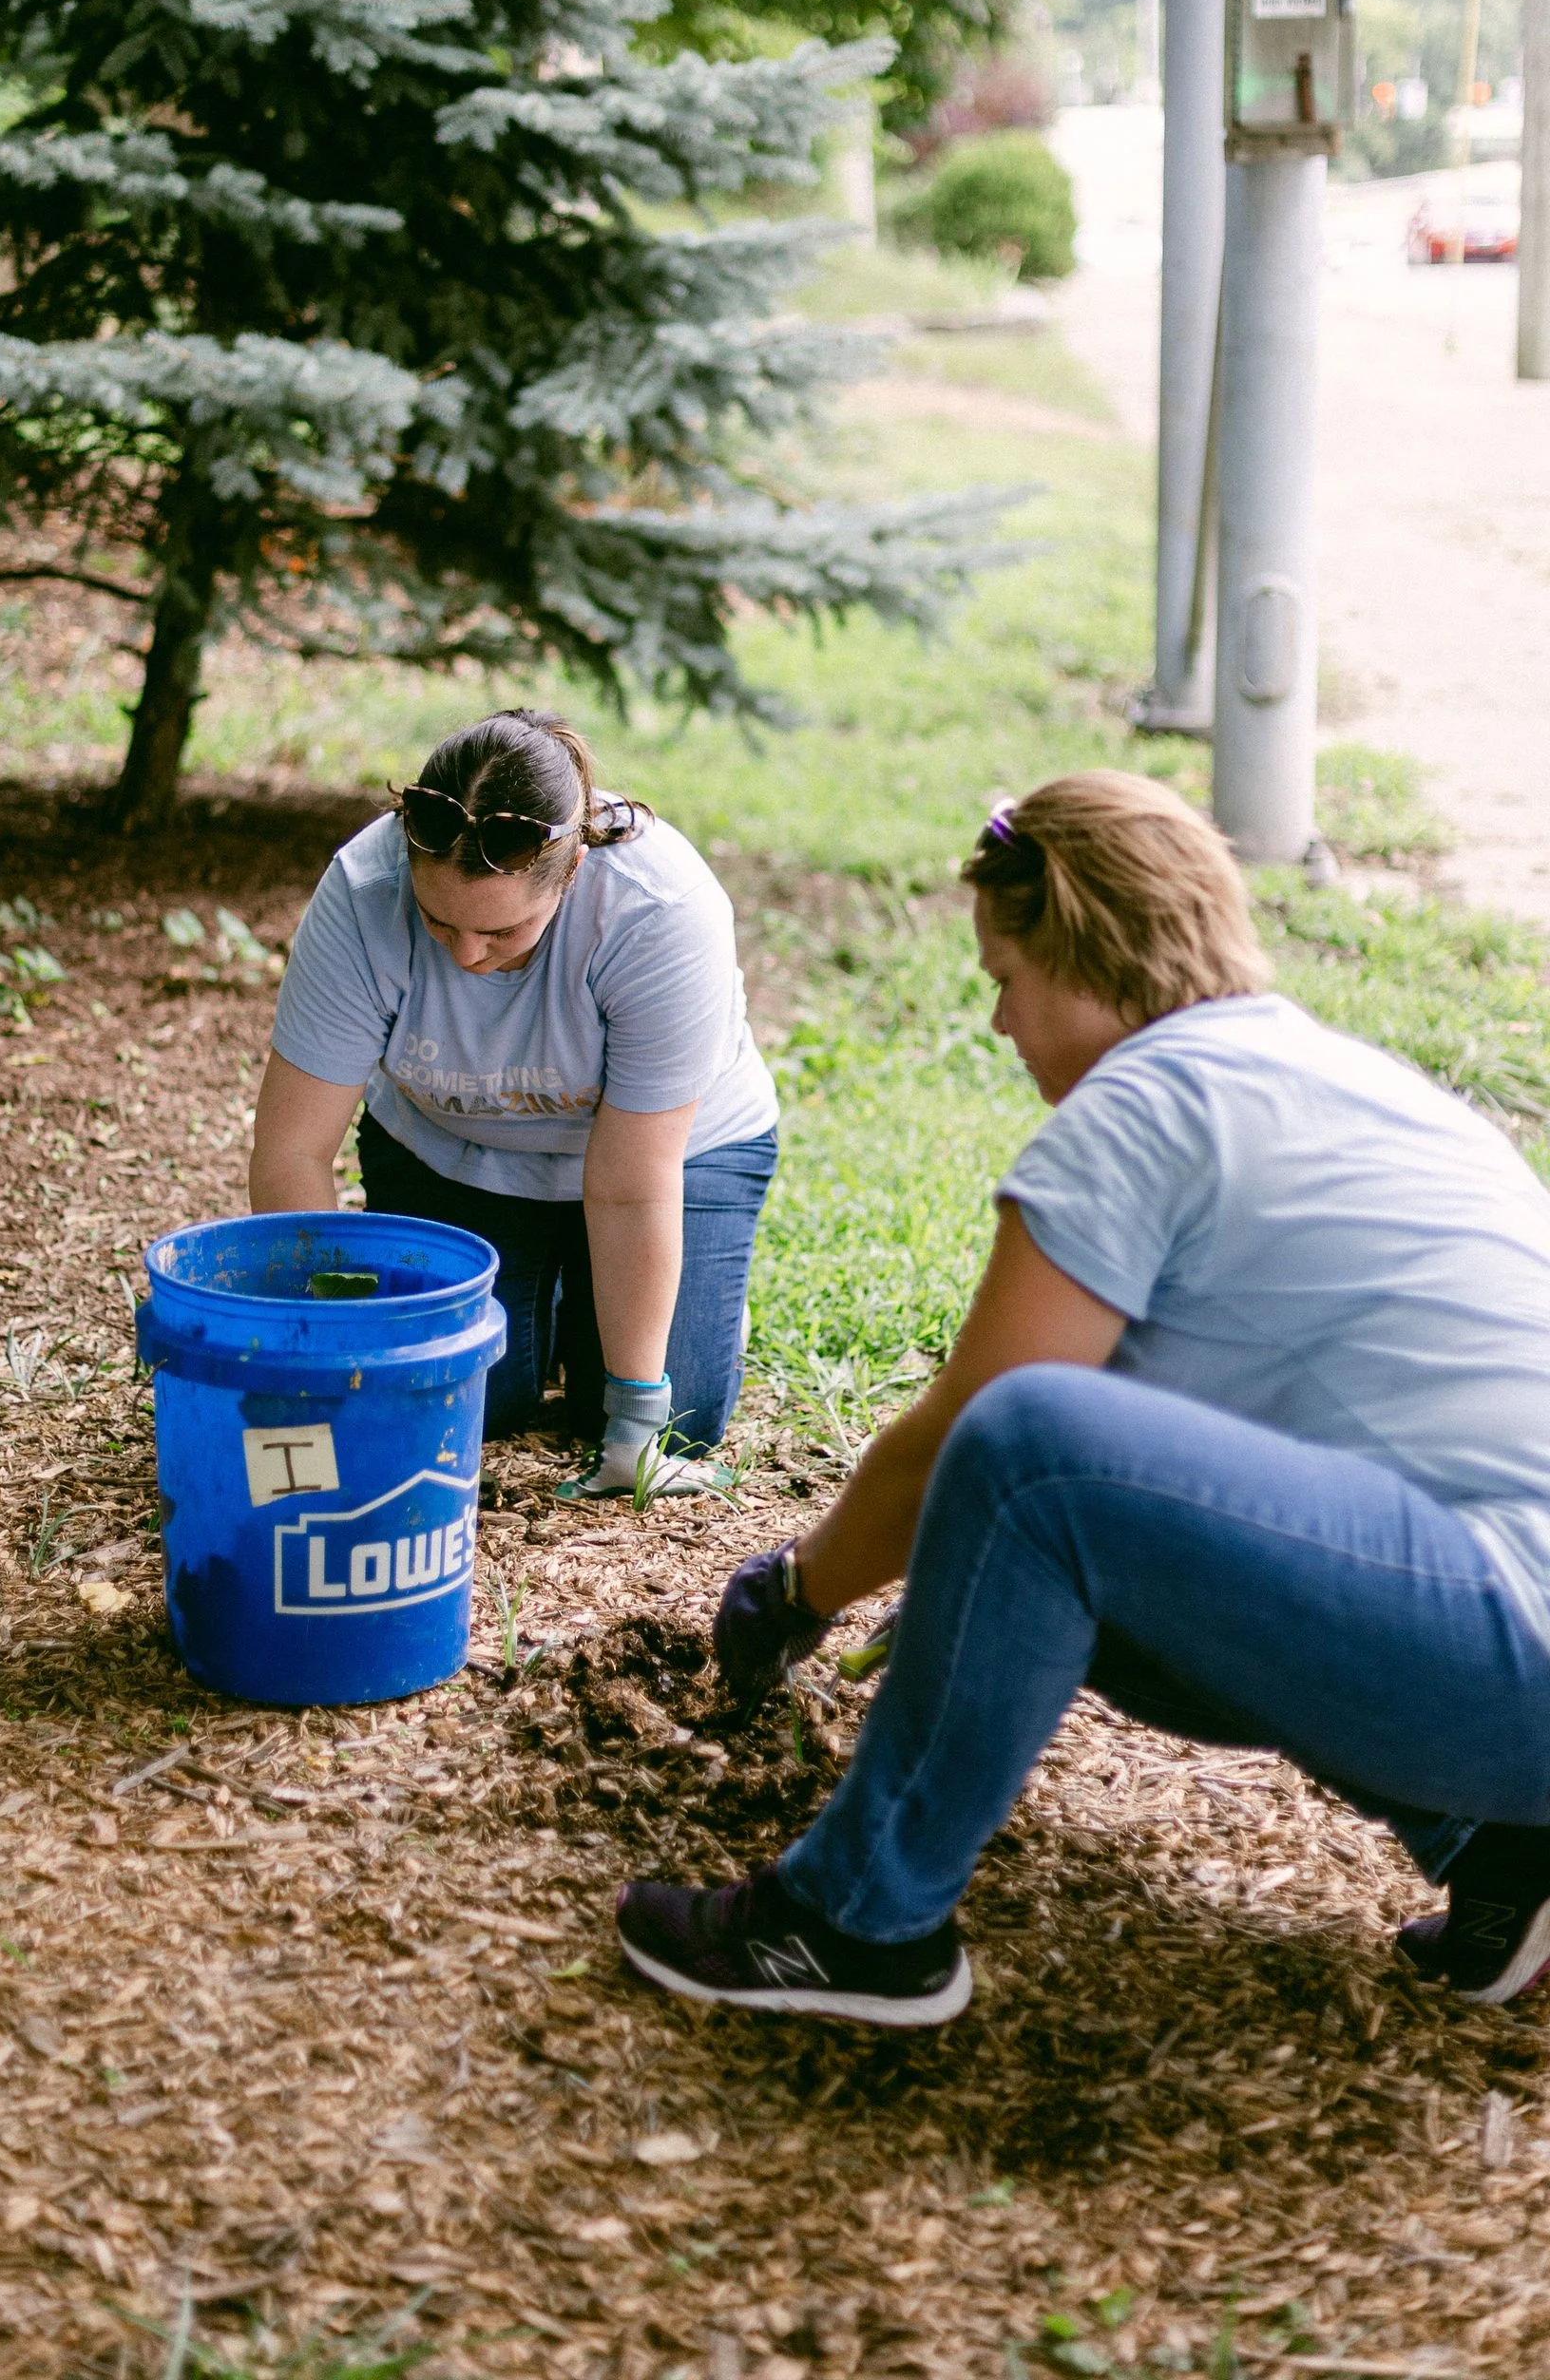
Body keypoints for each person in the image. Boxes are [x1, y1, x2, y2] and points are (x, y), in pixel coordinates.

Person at [616, 770, 1550, 2026]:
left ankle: (853, 1920)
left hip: (1509, 1640)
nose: (1000, 1024)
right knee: (1092, 1567)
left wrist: (798, 1590)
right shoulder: (1336, 1079)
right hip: (1494, 1642)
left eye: (1002, 978)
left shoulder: (1146, 1102)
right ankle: (1505, 1856)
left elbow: (976, 1433)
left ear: (1076, 951)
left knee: (1034, 1448)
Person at [248, 708, 778, 1497]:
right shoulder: (363, 890)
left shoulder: (659, 908)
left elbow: (633, 1182)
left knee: (679, 1416)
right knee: (459, 1401)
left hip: (670, 1158)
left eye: (504, 932)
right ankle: (557, 1284)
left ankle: (594, 1288)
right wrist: (324, 1352)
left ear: (570, 874)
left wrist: (635, 1423)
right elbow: (292, 1151)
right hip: (455, 1147)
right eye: (438, 921)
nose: (464, 955)